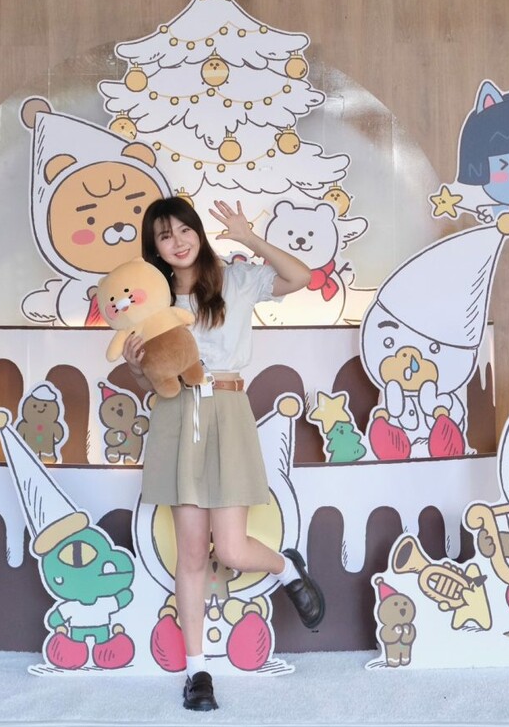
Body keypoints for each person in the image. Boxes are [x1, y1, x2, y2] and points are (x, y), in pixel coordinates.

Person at [123, 196, 324, 711]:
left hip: (229, 412)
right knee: (191, 554)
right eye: (165, 235)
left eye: (183, 229)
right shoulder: (150, 302)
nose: (177, 241)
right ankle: (197, 672)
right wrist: (135, 365)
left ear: (197, 232)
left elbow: (301, 277)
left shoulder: (235, 280)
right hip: (177, 418)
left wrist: (249, 237)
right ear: (155, 248)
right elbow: (153, 381)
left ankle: (285, 567)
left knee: (231, 550)